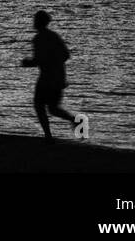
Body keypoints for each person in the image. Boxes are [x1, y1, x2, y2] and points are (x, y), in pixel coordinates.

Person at [20, 10, 87, 142]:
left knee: (39, 105)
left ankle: (48, 136)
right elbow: (66, 55)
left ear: (38, 22)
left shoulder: (38, 39)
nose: (33, 22)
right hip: (58, 77)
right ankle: (74, 121)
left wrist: (27, 63)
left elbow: (39, 60)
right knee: (53, 108)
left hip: (47, 78)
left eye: (35, 20)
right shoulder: (54, 36)